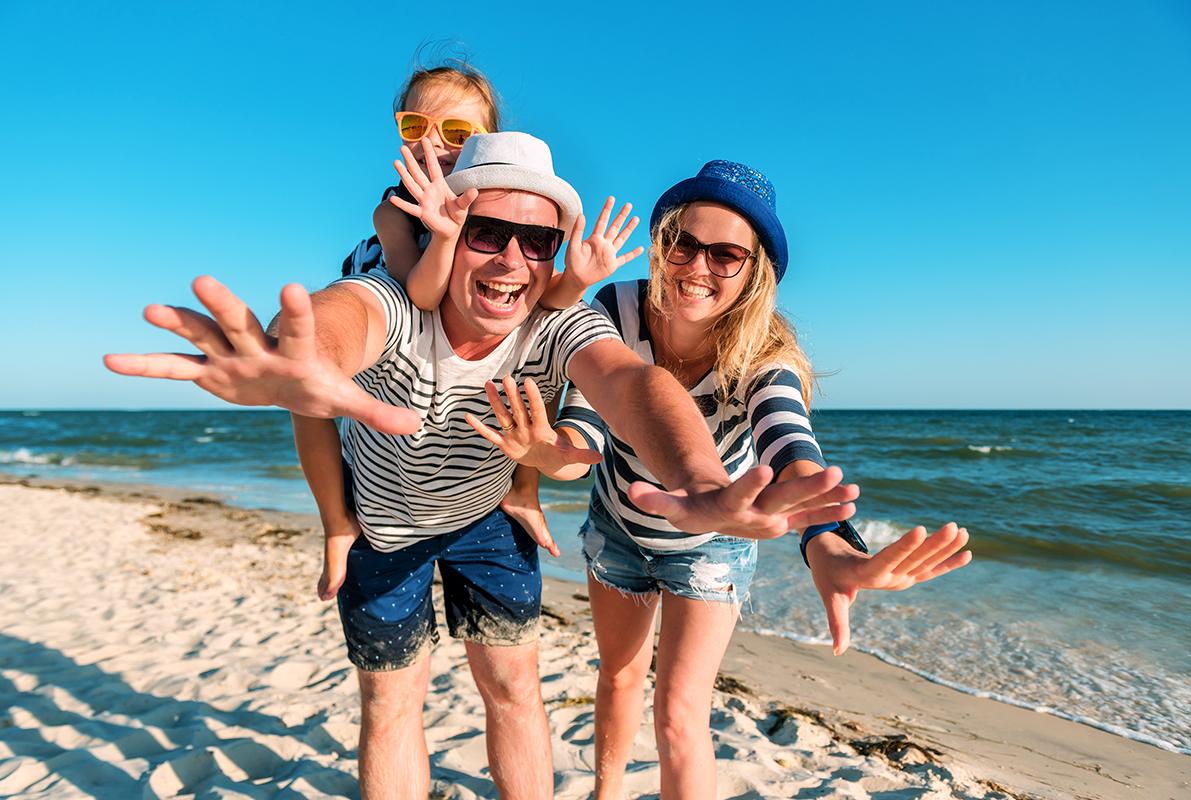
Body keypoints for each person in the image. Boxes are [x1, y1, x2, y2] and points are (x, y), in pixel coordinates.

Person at [104, 134, 858, 800]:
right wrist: (301, 360)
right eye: (487, 232)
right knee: (393, 705)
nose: (511, 260)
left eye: (536, 243)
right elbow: (344, 318)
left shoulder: (562, 321)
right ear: (446, 228)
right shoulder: (396, 300)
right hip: (387, 531)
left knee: (516, 690)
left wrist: (703, 486)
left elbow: (633, 388)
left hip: (488, 525)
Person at [474, 160, 972, 800]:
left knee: (680, 715)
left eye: (726, 254)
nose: (697, 267)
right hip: (619, 527)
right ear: (662, 244)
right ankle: (605, 792)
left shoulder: (765, 354)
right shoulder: (615, 308)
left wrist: (826, 539)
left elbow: (790, 445)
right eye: (683, 242)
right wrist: (547, 452)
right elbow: (587, 432)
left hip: (712, 545)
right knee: (619, 677)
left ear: (754, 270)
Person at [302, 60, 641, 602]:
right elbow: (420, 294)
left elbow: (542, 306)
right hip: (402, 326)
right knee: (311, 397)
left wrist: (574, 279)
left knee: (536, 350)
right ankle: (336, 524)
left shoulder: (510, 225)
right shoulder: (392, 217)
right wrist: (442, 236)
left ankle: (523, 490)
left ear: (490, 145)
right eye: (415, 126)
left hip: (479, 486)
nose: (432, 143)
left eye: (457, 133)